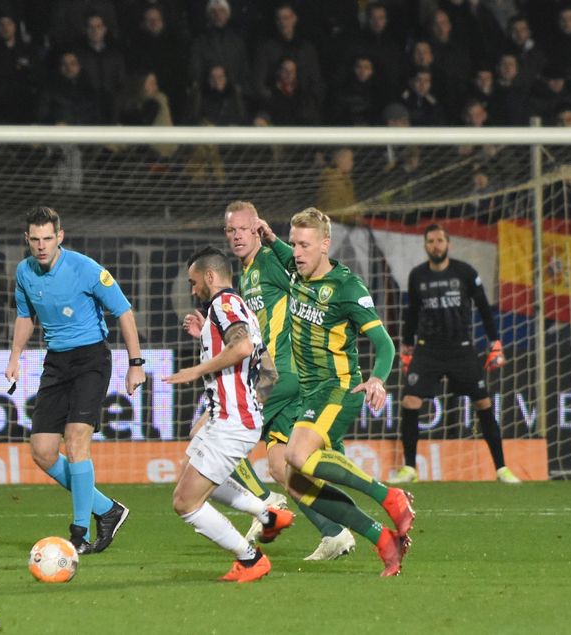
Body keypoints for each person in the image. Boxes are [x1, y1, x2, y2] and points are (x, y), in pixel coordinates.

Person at [256, 208, 415, 576]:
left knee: (297, 455)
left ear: (325, 245)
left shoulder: (347, 287)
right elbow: (284, 252)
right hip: (309, 395)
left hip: (339, 388)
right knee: (292, 478)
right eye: (294, 244)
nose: (297, 252)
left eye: (305, 245)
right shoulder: (297, 269)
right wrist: (271, 239)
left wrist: (377, 378)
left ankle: (390, 496)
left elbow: (384, 343)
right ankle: (383, 540)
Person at [219, 201, 357, 560]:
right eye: (230, 231)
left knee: (220, 432)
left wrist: (276, 241)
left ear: (257, 229)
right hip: (273, 376)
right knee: (282, 466)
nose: (236, 236)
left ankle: (265, 502)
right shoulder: (248, 273)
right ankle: (335, 532)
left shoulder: (267, 261)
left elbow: (300, 273)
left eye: (244, 229)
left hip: (278, 375)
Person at [5, 206, 145, 553]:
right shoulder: (24, 272)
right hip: (56, 363)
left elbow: (124, 311)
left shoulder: (85, 268)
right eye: (35, 239)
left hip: (91, 358)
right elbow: (26, 316)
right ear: (27, 239)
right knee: (42, 451)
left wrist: (136, 363)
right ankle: (107, 510)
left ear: (60, 237)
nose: (41, 246)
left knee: (76, 439)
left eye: (47, 239)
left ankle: (79, 533)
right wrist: (15, 356)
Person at [166, 246, 294, 582]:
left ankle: (250, 558)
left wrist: (197, 370)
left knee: (185, 502)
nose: (193, 290)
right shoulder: (241, 311)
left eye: (195, 282)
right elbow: (268, 373)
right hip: (233, 418)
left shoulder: (224, 304)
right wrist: (205, 337)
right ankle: (266, 514)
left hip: (231, 421)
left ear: (210, 276)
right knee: (185, 473)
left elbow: (241, 348)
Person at [393, 224, 521, 485]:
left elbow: (484, 308)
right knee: (410, 402)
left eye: (440, 240)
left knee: (483, 403)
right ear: (425, 246)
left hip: (461, 348)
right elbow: (412, 313)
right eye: (430, 241)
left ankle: (502, 469)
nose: (435, 245)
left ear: (448, 243)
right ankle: (409, 469)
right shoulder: (417, 275)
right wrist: (407, 346)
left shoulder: (465, 272)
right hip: (427, 349)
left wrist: (495, 342)